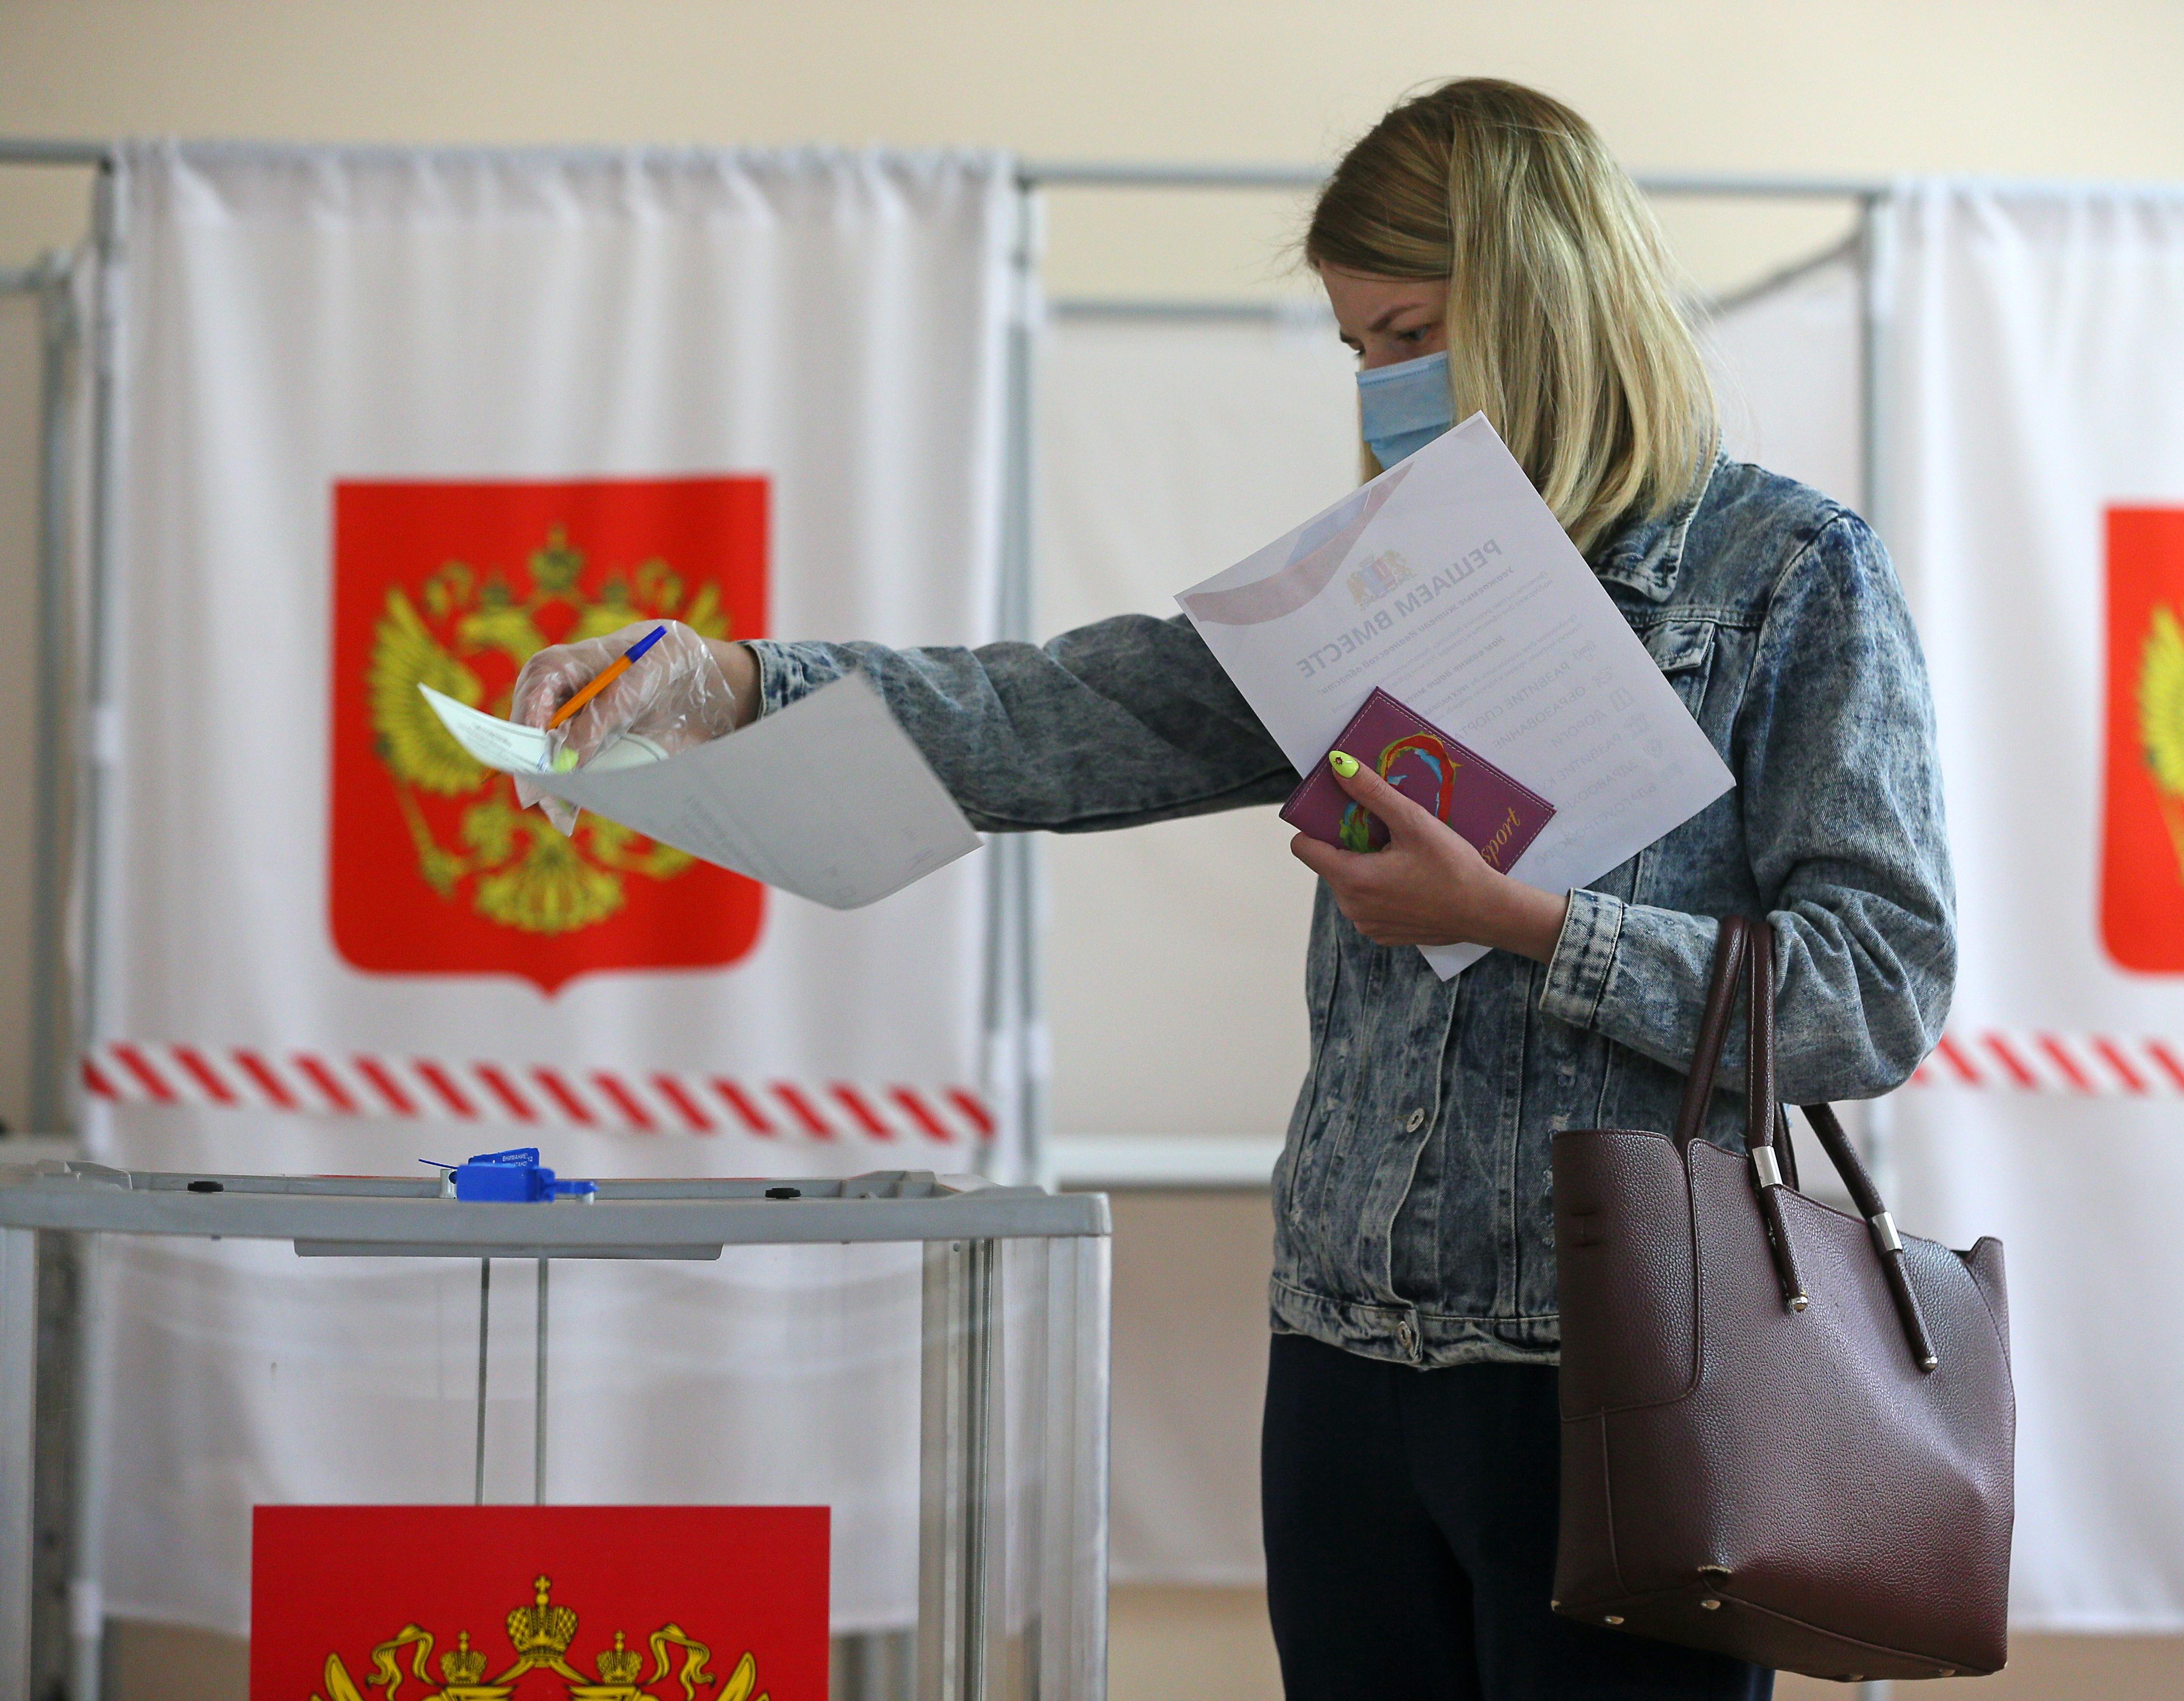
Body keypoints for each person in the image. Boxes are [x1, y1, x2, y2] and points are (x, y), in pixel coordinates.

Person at [512, 77, 1953, 1701]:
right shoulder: (1376, 576)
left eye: (1410, 333)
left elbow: (1877, 988)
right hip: (1341, 1360)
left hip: (1621, 1381)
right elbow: (1072, 712)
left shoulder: (1790, 579)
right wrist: (727, 680)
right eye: (1357, 350)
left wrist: (1524, 923)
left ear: (1547, 299)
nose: (1384, 386)